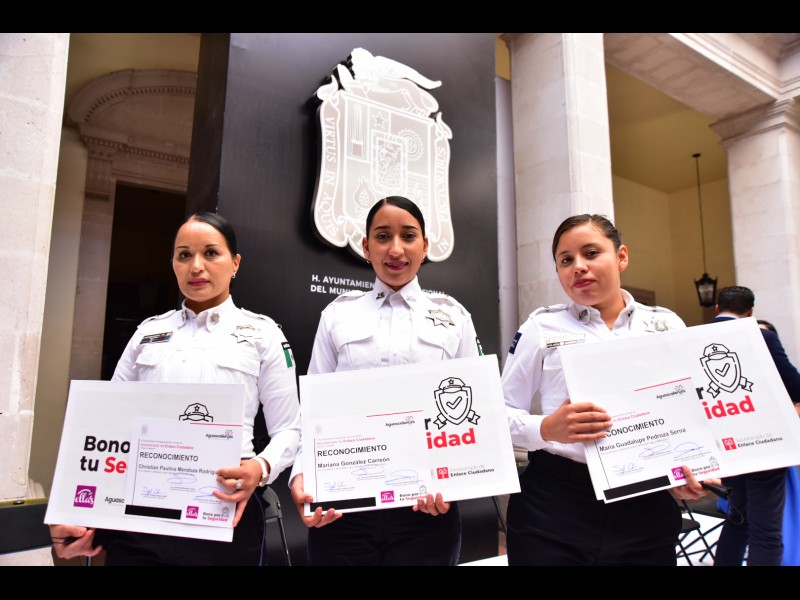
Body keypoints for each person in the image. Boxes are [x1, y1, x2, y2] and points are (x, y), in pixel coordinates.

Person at [49, 211, 301, 565]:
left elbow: (289, 430)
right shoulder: (147, 333)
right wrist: (77, 509)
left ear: (235, 263)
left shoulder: (264, 334)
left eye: (211, 253)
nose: (196, 266)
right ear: (173, 264)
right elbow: (107, 425)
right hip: (141, 514)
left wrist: (259, 468)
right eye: (184, 255)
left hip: (223, 510)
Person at [501, 213, 720, 566]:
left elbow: (691, 413)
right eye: (566, 260)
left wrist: (686, 471)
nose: (578, 267)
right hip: (555, 502)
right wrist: (546, 427)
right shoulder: (540, 327)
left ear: (621, 257)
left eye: (591, 253)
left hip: (646, 505)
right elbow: (498, 415)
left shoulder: (665, 325)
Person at [289, 196, 484, 566]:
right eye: (382, 236)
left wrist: (456, 483)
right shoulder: (337, 315)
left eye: (408, 236)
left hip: (427, 506)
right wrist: (302, 472)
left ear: (425, 246)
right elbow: (313, 410)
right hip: (344, 503)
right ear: (366, 247)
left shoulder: (454, 317)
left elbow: (475, 411)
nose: (396, 249)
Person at [712, 285, 800, 566]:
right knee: (766, 531)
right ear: (750, 312)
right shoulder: (762, 337)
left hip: (722, 442)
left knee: (738, 519)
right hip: (763, 441)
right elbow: (795, 386)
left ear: (717, 308)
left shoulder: (690, 336)